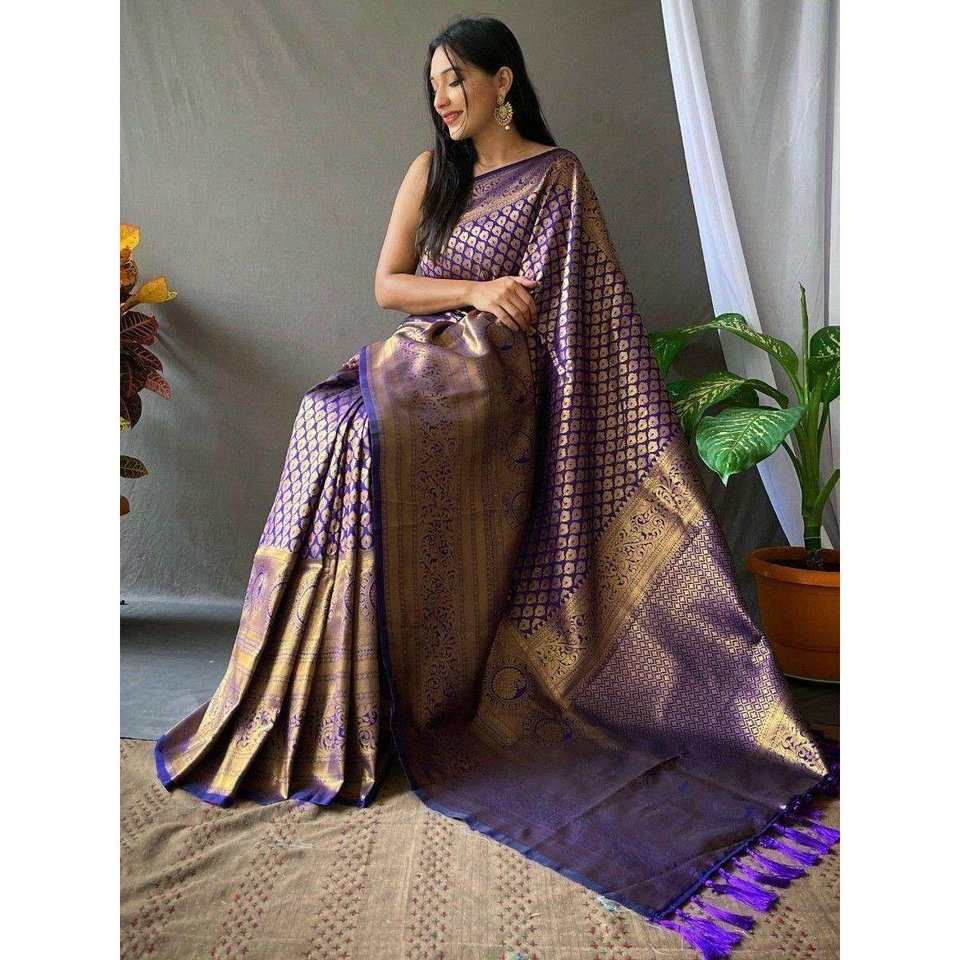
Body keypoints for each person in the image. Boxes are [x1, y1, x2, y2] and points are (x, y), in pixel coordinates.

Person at [154, 16, 837, 958]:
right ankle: (332, 688)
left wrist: (498, 327)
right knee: (330, 423)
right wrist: (472, 292)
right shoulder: (430, 172)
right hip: (424, 360)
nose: (442, 97)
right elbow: (389, 284)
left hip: (503, 387)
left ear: (502, 80)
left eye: (456, 79)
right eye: (433, 83)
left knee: (361, 430)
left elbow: (583, 317)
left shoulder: (557, 178)